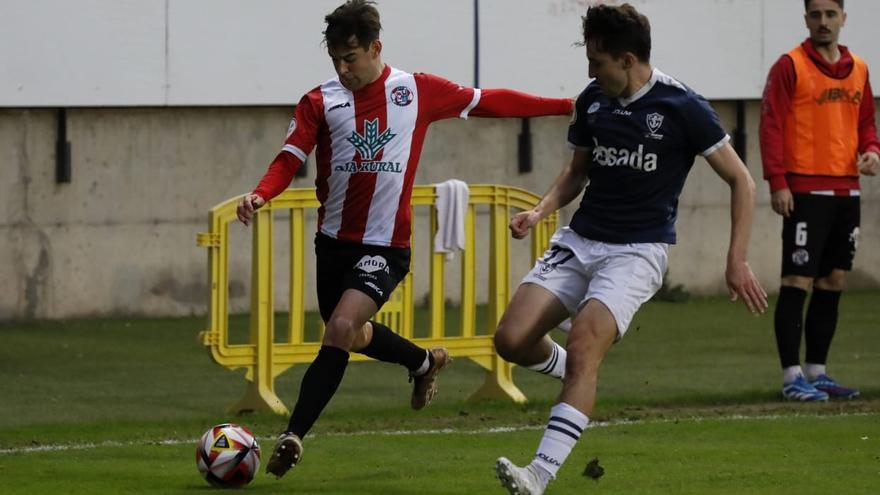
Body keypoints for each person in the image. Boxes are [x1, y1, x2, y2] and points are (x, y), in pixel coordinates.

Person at [234, 0, 574, 480]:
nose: (343, 68)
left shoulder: (416, 91)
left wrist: (566, 106)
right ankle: (421, 361)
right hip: (332, 244)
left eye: (350, 57)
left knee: (338, 329)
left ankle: (292, 435)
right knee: (349, 333)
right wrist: (261, 194)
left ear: (376, 47)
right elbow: (289, 158)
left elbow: (490, 101)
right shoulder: (319, 101)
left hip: (385, 247)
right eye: (335, 59)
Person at [491, 4, 768, 494]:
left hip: (637, 252)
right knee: (510, 340)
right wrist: (540, 211)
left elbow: (742, 181)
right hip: (580, 240)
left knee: (584, 343)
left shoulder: (683, 106)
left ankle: (538, 474)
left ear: (627, 59)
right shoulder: (593, 101)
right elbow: (577, 172)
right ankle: (575, 377)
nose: (590, 72)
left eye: (597, 62)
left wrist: (736, 260)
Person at [759, 0, 878, 402]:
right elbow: (771, 122)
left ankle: (818, 372)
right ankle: (792, 376)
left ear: (843, 17)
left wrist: (872, 151)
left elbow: (865, 123)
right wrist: (778, 181)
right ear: (806, 18)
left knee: (834, 280)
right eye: (816, 15)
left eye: (831, 14)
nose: (823, 22)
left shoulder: (859, 68)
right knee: (797, 280)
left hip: (847, 191)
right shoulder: (790, 66)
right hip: (805, 191)